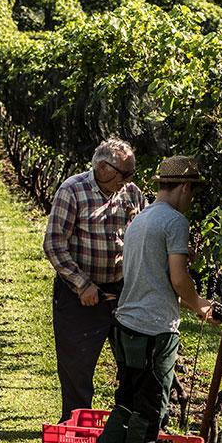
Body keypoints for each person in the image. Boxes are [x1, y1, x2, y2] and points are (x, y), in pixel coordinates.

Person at [77, 156, 216, 443]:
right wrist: (200, 305)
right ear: (185, 187)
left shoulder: (141, 219)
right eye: (193, 192)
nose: (192, 199)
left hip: (127, 324)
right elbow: (178, 278)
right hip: (154, 330)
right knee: (149, 409)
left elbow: (150, 276)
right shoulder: (174, 222)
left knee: (126, 402)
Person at [43, 137, 146, 423]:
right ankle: (75, 424)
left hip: (121, 291)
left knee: (132, 361)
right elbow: (54, 243)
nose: (127, 180)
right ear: (102, 168)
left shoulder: (132, 194)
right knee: (77, 364)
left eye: (131, 174)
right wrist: (82, 284)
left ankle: (126, 424)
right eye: (124, 174)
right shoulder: (72, 191)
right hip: (80, 294)